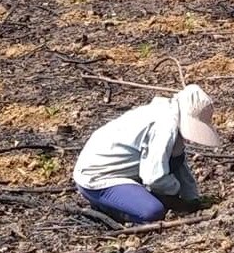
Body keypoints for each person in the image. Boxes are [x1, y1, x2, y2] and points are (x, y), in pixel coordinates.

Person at [73, 84, 221, 224]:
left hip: (117, 170)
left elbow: (178, 162)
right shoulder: (164, 127)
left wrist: (192, 198)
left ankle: (128, 197)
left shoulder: (169, 113)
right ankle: (109, 208)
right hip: (96, 178)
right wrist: (176, 196)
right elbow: (154, 178)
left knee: (172, 165)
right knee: (152, 212)